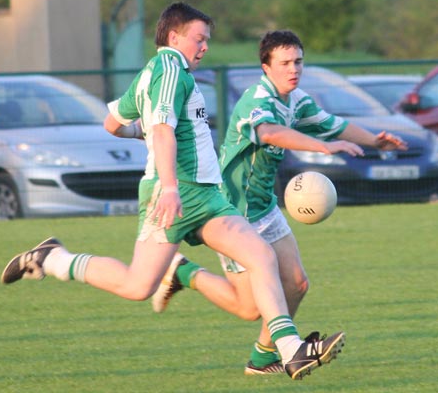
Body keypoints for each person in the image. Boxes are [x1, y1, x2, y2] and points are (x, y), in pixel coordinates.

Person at [0, 5, 345, 381]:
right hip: (176, 194)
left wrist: (145, 133)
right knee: (137, 286)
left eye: (207, 40)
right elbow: (162, 130)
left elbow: (113, 123)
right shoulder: (169, 70)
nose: (205, 47)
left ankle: (289, 350)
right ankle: (52, 259)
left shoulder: (164, 72)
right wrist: (167, 185)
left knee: (261, 255)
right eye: (200, 39)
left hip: (207, 197)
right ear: (174, 37)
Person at [152, 29, 407, 375]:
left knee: (297, 283)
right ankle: (182, 271)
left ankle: (262, 358)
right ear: (266, 67)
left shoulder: (297, 100)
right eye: (285, 62)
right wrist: (323, 148)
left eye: (298, 61)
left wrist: (376, 142)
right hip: (232, 209)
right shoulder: (257, 100)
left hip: (265, 206)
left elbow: (333, 125)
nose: (293, 69)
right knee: (247, 308)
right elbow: (270, 132)